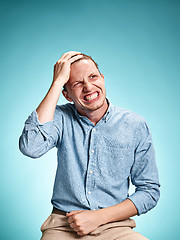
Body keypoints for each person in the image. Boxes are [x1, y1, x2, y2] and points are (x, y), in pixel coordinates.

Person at [19, 51, 160, 240]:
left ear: (102, 78)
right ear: (66, 95)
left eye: (93, 77)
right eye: (77, 84)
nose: (88, 87)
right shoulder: (59, 118)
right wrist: (56, 83)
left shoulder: (135, 125)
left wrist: (98, 217)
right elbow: (31, 146)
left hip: (115, 227)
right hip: (63, 226)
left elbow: (149, 191)